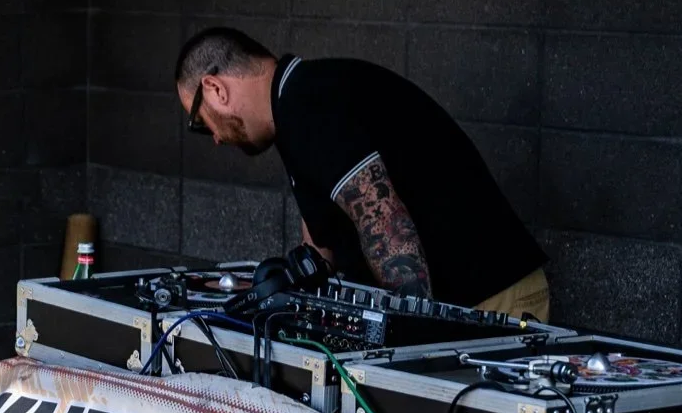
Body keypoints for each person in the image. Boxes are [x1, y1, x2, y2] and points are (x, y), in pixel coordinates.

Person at [172, 26, 550, 318]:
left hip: (489, 303)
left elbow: (383, 222)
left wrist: (407, 340)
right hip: (463, 304)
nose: (216, 139)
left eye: (201, 123)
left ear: (215, 89)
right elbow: (323, 249)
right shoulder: (293, 109)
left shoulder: (310, 104)